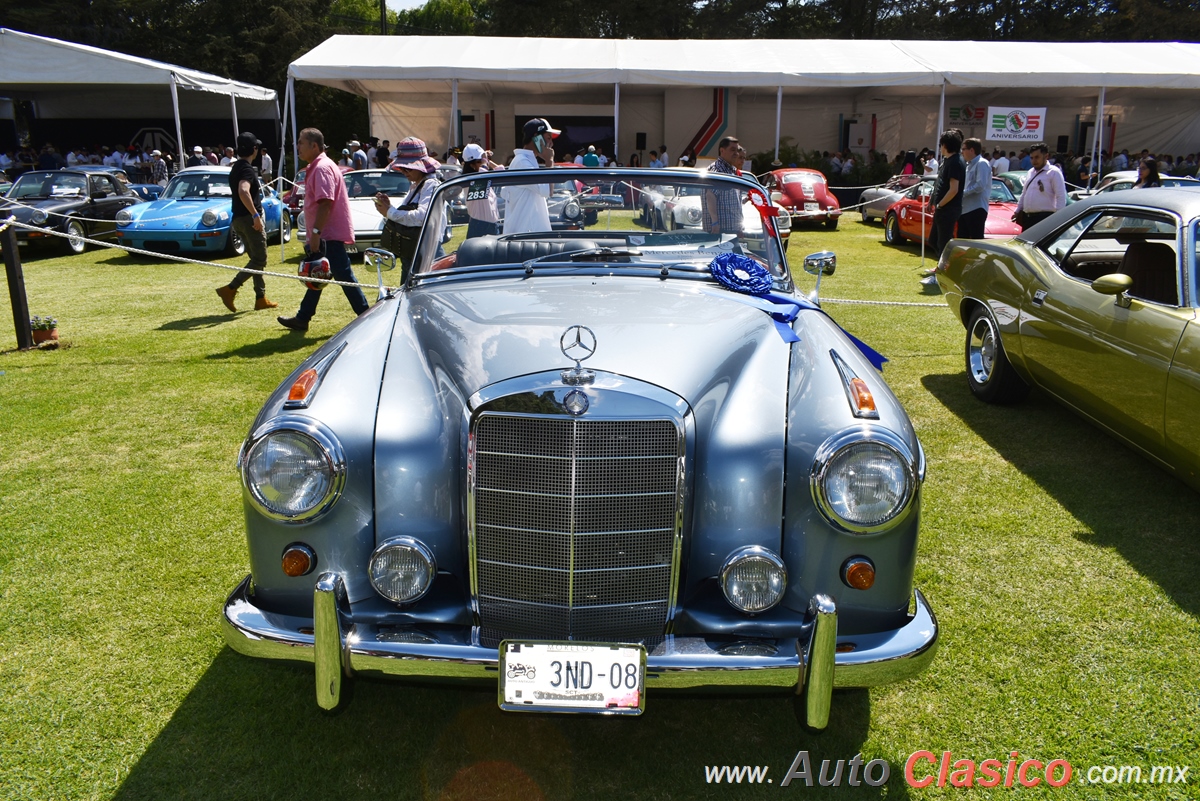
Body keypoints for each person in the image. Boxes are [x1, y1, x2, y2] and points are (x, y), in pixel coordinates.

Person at [278, 127, 370, 332]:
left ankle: (367, 316)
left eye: (301, 142)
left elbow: (326, 202)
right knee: (319, 274)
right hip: (325, 233)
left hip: (327, 234)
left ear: (314, 145)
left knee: (341, 276)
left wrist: (317, 235)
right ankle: (303, 317)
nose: (298, 147)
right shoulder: (319, 166)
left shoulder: (321, 168)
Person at [216, 132, 277, 313]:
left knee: (255, 260)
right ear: (254, 150)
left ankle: (261, 298)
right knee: (260, 259)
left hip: (238, 220)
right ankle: (230, 289)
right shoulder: (247, 169)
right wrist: (255, 216)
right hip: (249, 220)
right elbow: (244, 191)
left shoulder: (235, 167)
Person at [500, 118, 558, 235]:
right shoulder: (522, 162)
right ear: (536, 137)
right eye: (548, 138)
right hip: (525, 237)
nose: (551, 143)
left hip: (527, 235)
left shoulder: (526, 161)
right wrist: (549, 161)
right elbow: (548, 190)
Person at [1013, 142, 1067, 228]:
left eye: (1037, 157)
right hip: (1028, 218)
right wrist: (1017, 210)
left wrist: (1058, 219)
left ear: (1046, 156)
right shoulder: (1030, 172)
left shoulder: (1053, 172)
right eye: (1032, 158)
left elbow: (1060, 196)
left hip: (1045, 219)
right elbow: (1024, 193)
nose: (1034, 161)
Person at [929, 130, 965, 256]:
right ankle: (940, 266)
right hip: (943, 209)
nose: (940, 148)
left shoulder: (955, 162)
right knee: (933, 240)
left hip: (948, 209)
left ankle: (943, 269)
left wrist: (940, 204)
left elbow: (953, 189)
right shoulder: (948, 161)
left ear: (945, 145)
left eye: (941, 144)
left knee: (943, 243)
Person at [460, 143, 504, 238]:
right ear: (471, 165)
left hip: (492, 225)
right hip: (479, 227)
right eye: (480, 161)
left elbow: (501, 171)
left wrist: (487, 160)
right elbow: (481, 180)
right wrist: (484, 162)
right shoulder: (470, 181)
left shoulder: (483, 176)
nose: (484, 164)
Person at [702, 136, 742, 235]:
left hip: (731, 230)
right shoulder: (717, 170)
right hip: (720, 231)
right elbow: (710, 195)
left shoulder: (731, 170)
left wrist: (739, 227)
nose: (736, 154)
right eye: (732, 150)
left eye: (737, 150)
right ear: (722, 150)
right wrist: (715, 223)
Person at [958, 137, 991, 239]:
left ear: (972, 150)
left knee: (976, 241)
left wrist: (962, 193)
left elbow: (980, 185)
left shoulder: (982, 163)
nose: (962, 152)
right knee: (962, 241)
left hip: (976, 209)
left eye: (964, 149)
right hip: (965, 209)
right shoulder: (968, 165)